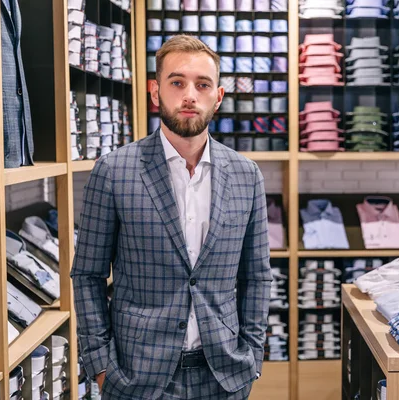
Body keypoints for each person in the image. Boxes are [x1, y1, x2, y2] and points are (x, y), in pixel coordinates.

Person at [71, 35, 272, 400]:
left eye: (202, 84)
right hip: (137, 377)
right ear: (155, 91)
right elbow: (87, 275)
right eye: (177, 82)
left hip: (223, 377)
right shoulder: (114, 171)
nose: (189, 95)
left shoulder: (247, 175)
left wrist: (252, 356)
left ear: (219, 96)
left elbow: (256, 276)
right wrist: (100, 365)